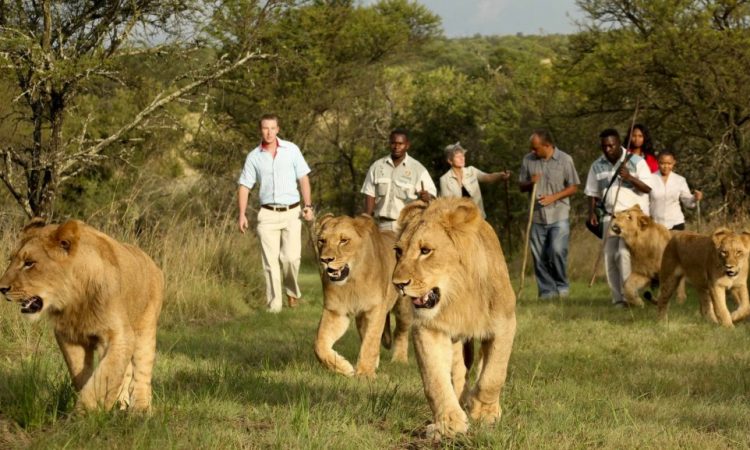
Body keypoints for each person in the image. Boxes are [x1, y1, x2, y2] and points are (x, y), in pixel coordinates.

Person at [237, 114, 315, 313]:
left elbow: (304, 178)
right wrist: (242, 214)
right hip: (267, 214)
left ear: (278, 129)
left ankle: (291, 291)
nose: (269, 132)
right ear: (260, 130)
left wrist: (308, 205)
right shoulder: (254, 156)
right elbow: (245, 186)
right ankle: (275, 305)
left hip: (292, 212)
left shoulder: (291, 150)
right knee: (270, 262)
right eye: (265, 128)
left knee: (291, 258)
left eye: (272, 128)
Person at [585, 128, 652, 307]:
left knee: (623, 254)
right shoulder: (596, 165)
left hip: (631, 218)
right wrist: (592, 212)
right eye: (604, 146)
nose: (607, 149)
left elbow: (648, 188)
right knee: (610, 257)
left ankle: (631, 294)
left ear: (619, 144)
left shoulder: (636, 162)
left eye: (611, 146)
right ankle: (618, 299)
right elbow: (592, 192)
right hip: (610, 216)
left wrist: (629, 177)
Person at [518, 129, 580, 299]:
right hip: (537, 216)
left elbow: (574, 187)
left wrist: (554, 197)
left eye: (536, 148)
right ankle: (547, 291)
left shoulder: (565, 160)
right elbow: (521, 186)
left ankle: (561, 287)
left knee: (557, 251)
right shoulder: (528, 160)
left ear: (547, 146)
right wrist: (530, 182)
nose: (532, 151)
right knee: (539, 256)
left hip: (558, 214)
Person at [361, 129, 437, 231]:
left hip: (406, 226)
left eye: (400, 144)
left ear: (407, 145)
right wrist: (366, 221)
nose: (396, 147)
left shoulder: (418, 169)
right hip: (381, 226)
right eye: (393, 143)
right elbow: (369, 194)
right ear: (389, 143)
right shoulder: (377, 166)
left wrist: (428, 196)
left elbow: (432, 196)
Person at [439, 142, 511, 218]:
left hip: (478, 217)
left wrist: (500, 175)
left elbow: (487, 177)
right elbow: (446, 204)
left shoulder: (471, 170)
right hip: (459, 221)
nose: (462, 158)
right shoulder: (444, 179)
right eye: (458, 156)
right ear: (450, 161)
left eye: (463, 155)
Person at [648, 150, 703, 230]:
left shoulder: (680, 180)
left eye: (669, 163)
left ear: (674, 163)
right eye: (662, 163)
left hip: (676, 223)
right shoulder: (650, 178)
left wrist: (695, 198)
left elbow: (687, 201)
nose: (666, 166)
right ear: (658, 162)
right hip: (655, 225)